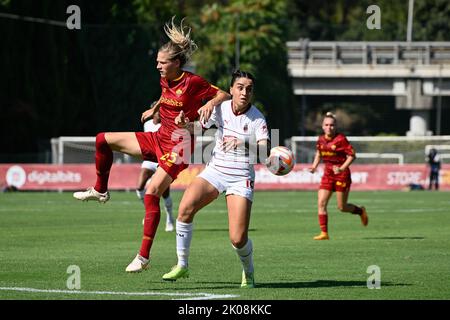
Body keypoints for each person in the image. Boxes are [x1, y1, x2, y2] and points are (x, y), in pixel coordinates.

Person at [73, 17, 231, 273]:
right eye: (157, 61)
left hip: (179, 145)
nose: (157, 65)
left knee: (151, 191)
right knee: (102, 139)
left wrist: (209, 104)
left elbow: (223, 94)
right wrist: (154, 107)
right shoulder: (165, 79)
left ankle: (143, 257)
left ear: (176, 63)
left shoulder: (193, 82)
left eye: (162, 62)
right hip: (158, 137)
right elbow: (165, 95)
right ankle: (101, 190)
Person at [161, 70, 270, 289]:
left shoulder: (258, 119)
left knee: (238, 239)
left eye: (249, 89)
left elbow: (265, 151)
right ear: (231, 90)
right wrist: (184, 125)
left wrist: (243, 143)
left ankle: (248, 272)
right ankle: (182, 264)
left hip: (240, 178)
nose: (244, 92)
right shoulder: (220, 109)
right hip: (215, 171)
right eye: (240, 87)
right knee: (185, 209)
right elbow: (198, 128)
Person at [308, 112, 368, 240]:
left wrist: (341, 168)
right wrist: (314, 166)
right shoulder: (320, 139)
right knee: (321, 203)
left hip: (342, 175)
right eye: (327, 125)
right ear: (322, 126)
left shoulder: (341, 139)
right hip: (328, 175)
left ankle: (360, 211)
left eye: (332, 125)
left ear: (336, 126)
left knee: (342, 207)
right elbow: (319, 153)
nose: (329, 127)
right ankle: (324, 233)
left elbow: (352, 155)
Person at [136, 104, 175, 232]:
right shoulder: (147, 124)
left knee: (165, 192)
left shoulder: (166, 124)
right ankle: (148, 211)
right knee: (139, 186)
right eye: (158, 111)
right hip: (149, 160)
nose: (159, 113)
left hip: (163, 159)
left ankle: (169, 217)